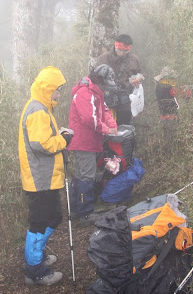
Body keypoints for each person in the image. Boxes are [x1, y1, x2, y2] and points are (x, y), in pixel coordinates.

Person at [18, 66, 74, 286]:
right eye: (57, 89)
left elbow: (42, 138)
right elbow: (41, 144)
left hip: (44, 177)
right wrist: (63, 140)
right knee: (40, 223)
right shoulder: (38, 110)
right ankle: (35, 271)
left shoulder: (41, 107)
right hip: (39, 178)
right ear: (48, 89)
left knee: (53, 217)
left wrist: (58, 135)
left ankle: (36, 257)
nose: (59, 93)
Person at [67, 64, 118, 225]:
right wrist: (106, 130)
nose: (105, 87)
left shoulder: (96, 93)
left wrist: (112, 126)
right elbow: (89, 118)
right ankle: (86, 213)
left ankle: (76, 209)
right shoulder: (85, 93)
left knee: (82, 175)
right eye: (104, 83)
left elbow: (105, 111)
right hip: (83, 141)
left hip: (89, 140)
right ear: (98, 79)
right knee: (86, 177)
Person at [96, 34, 144, 125]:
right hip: (107, 99)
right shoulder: (103, 58)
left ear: (129, 49)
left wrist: (139, 78)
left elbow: (140, 74)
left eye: (125, 51)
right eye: (119, 50)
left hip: (125, 101)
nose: (121, 53)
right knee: (107, 127)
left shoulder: (134, 59)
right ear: (115, 45)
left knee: (124, 126)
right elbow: (95, 78)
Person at [154, 66, 191, 138]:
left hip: (163, 116)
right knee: (174, 137)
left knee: (168, 138)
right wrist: (187, 89)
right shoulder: (170, 87)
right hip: (172, 117)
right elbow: (185, 95)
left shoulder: (158, 86)